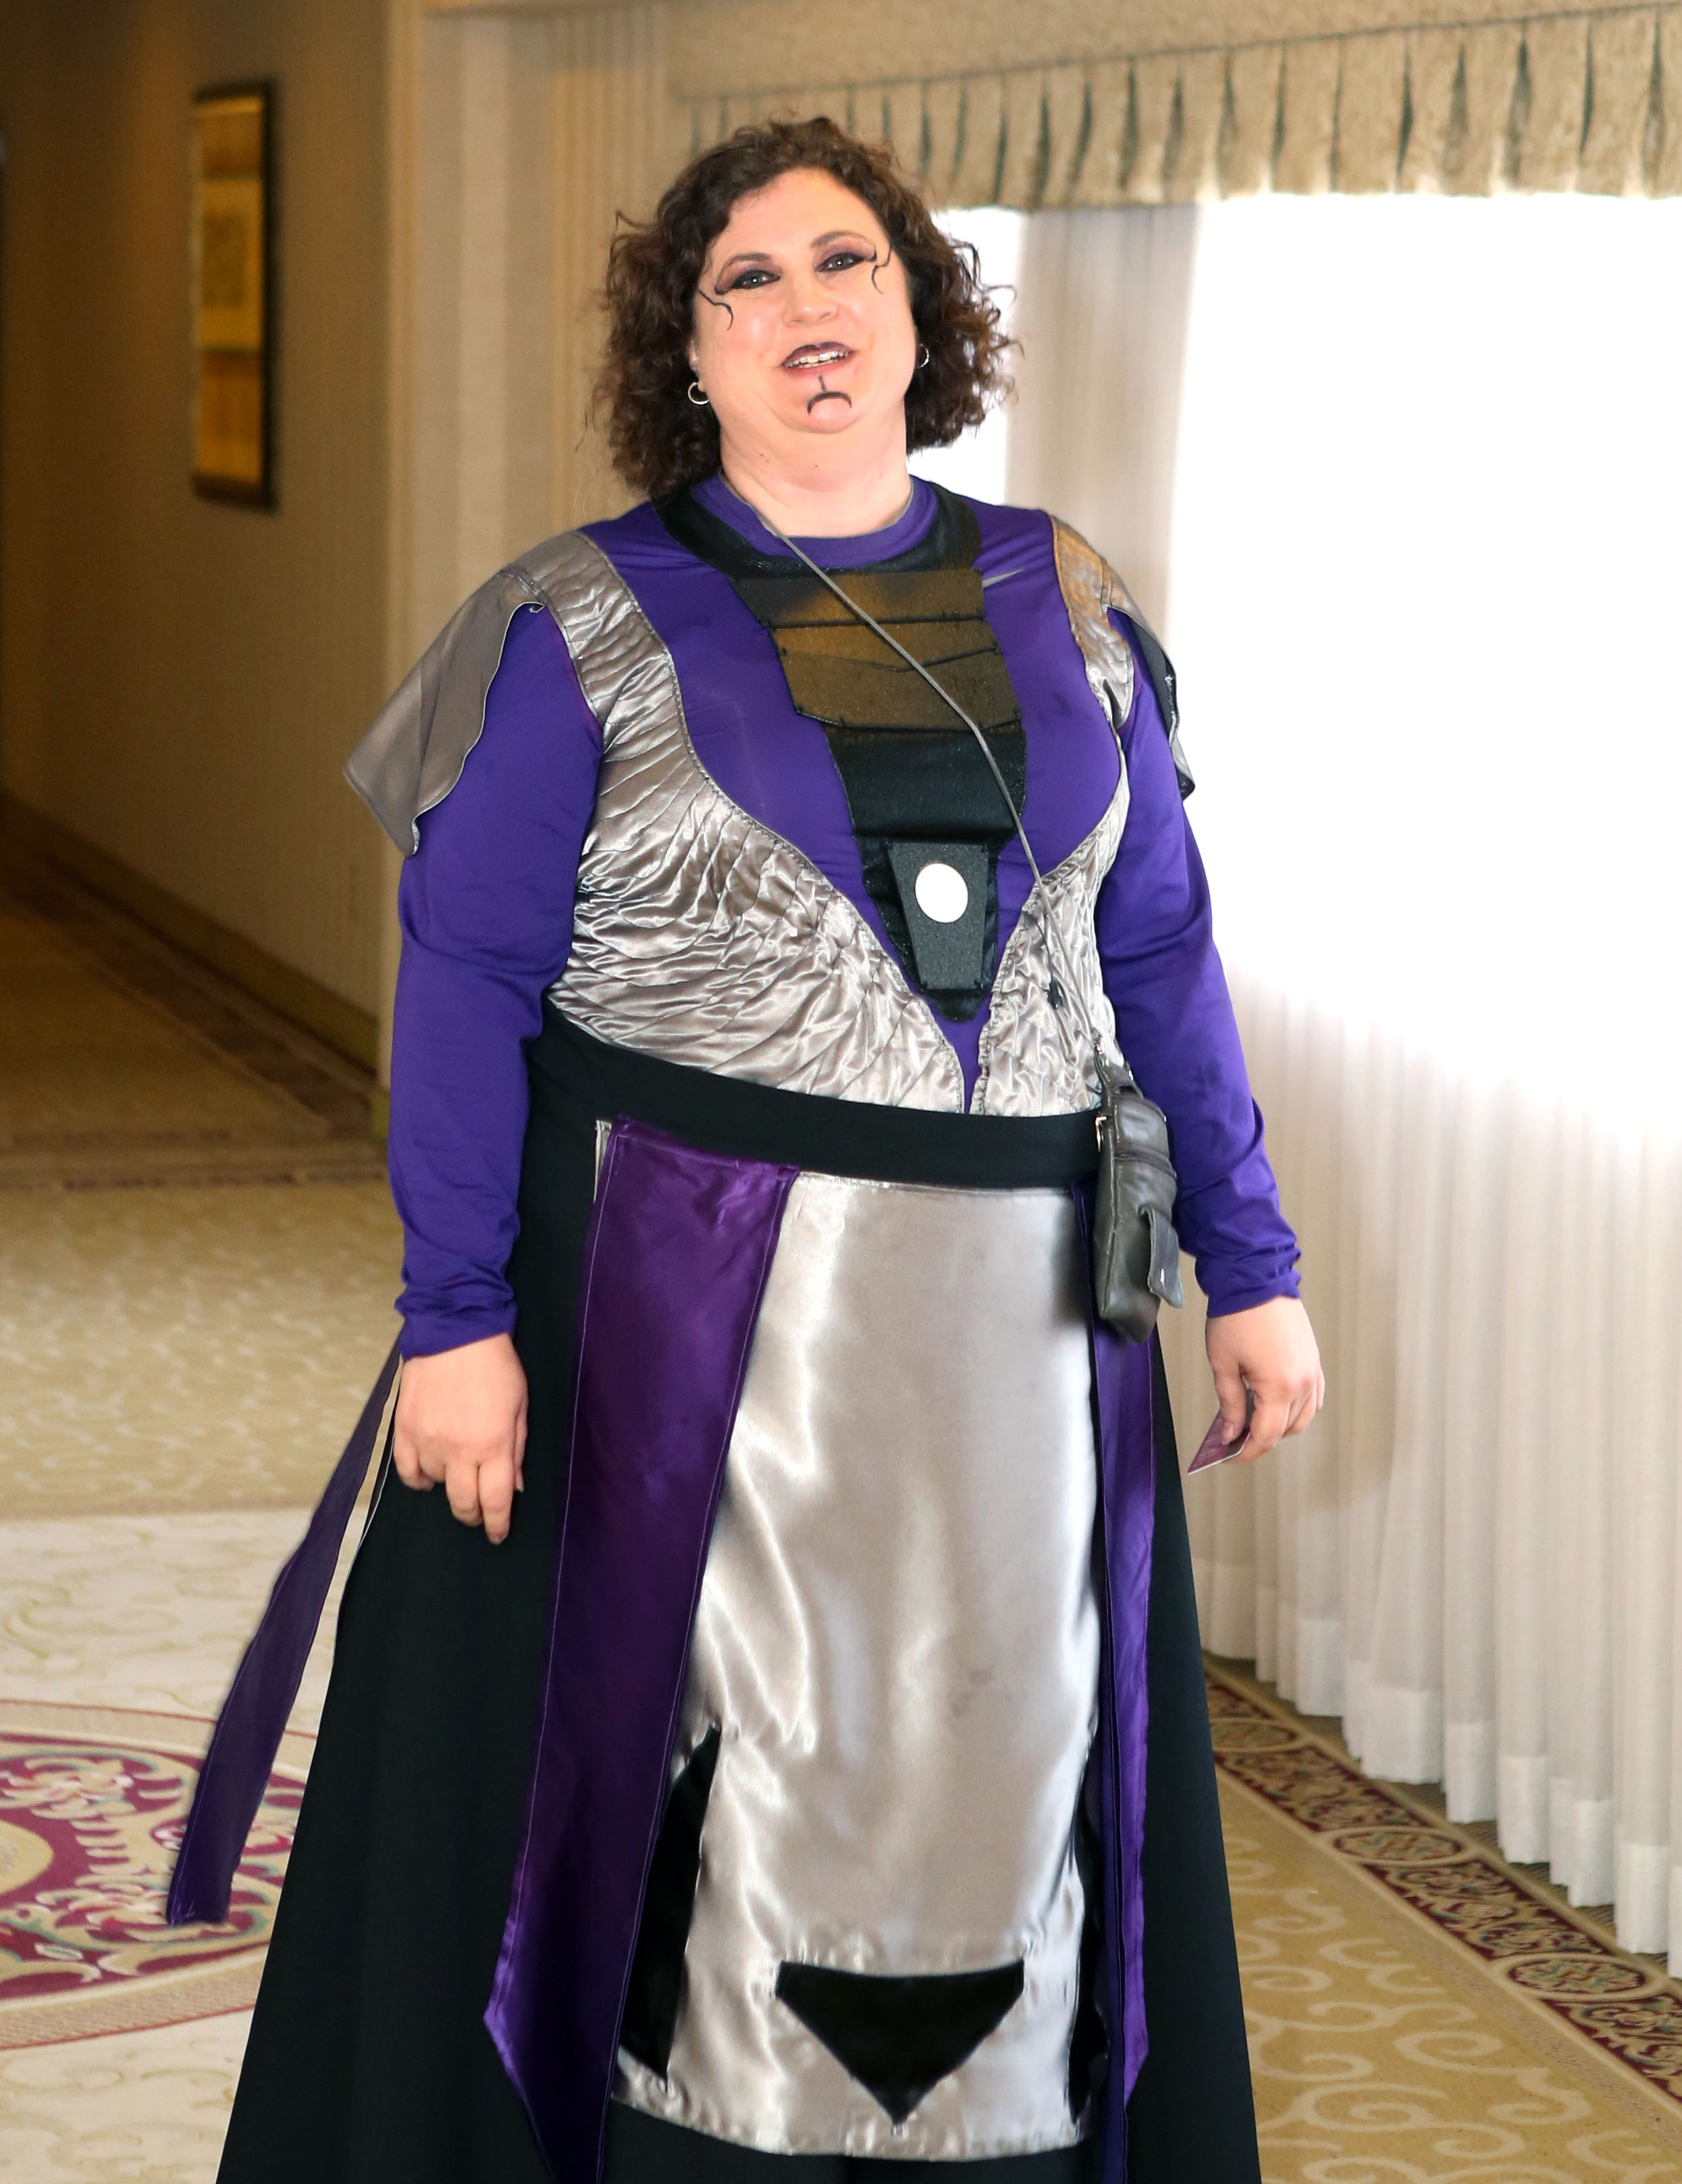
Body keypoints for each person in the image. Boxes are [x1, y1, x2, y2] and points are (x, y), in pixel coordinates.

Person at [213, 116, 1322, 2184]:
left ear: (921, 312)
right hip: (688, 1329)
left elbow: (1157, 946)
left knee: (1008, 1772)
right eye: (748, 281)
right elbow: (465, 986)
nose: (806, 308)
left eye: (846, 264)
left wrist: (1251, 1267)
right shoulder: (573, 621)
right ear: (689, 352)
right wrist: (453, 1319)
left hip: (1025, 1347)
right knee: (700, 1820)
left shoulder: (1069, 599)